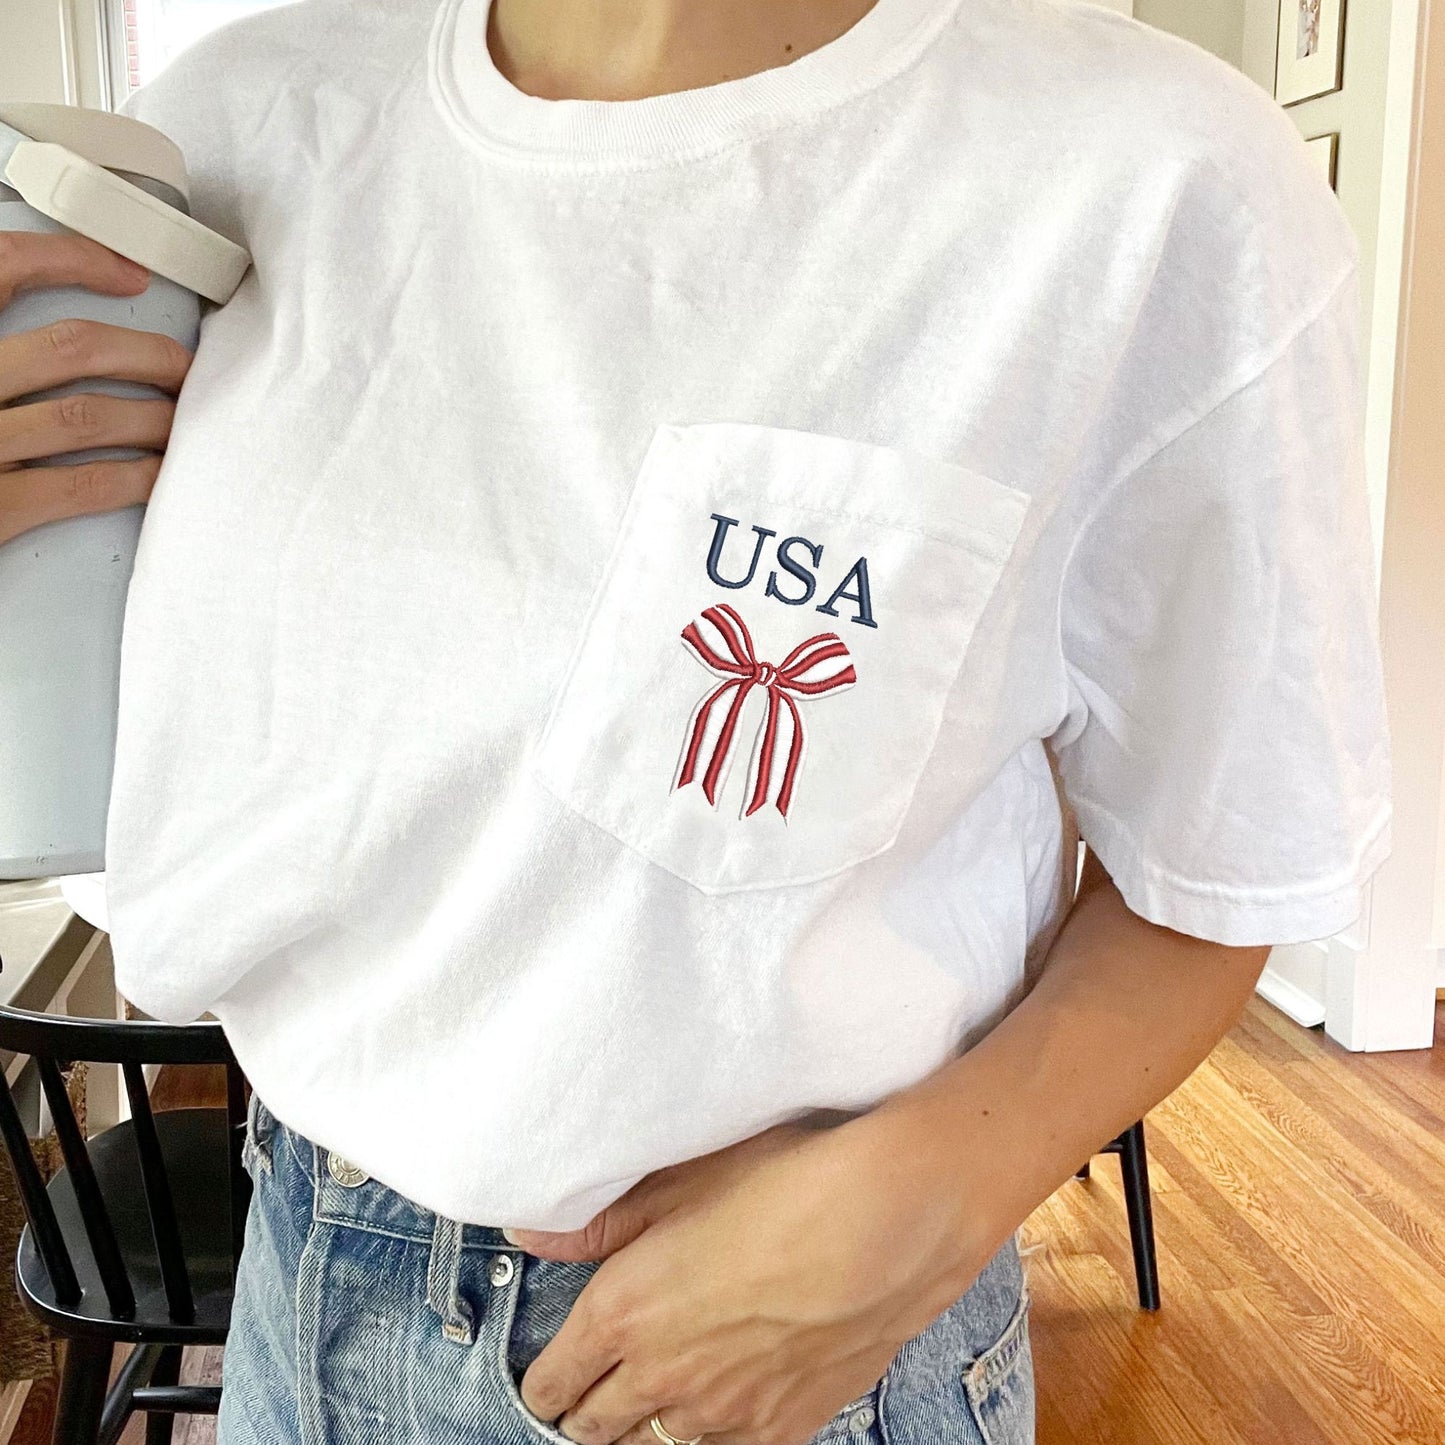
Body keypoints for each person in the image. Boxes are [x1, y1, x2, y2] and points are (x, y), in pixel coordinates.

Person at [1, 0, 1393, 1441]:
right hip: (296, 1283)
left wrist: (928, 1202)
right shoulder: (232, 126)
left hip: (768, 1357)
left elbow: (1226, 868)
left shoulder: (1144, 174)